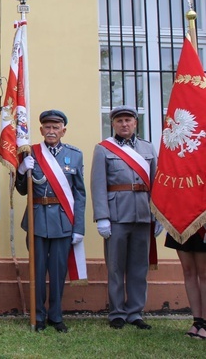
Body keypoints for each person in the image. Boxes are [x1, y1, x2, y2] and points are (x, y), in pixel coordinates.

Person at [91, 105, 161, 330]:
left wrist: (158, 215)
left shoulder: (147, 148)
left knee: (139, 266)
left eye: (128, 120)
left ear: (135, 123)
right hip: (116, 215)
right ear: (113, 124)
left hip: (142, 214)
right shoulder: (103, 149)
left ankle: (135, 312)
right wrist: (102, 217)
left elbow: (157, 184)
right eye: (119, 120)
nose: (124, 124)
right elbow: (98, 185)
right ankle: (117, 312)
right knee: (115, 266)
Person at [15, 110, 86, 333]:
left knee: (57, 271)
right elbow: (20, 190)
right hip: (37, 219)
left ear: (63, 130)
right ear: (41, 130)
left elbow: (80, 194)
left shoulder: (74, 155)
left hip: (63, 221)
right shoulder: (30, 153)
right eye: (47, 127)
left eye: (56, 127)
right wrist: (20, 170)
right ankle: (38, 316)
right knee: (36, 271)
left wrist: (79, 228)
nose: (51, 131)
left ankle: (56, 315)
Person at [164, 228, 206, 338]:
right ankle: (197, 321)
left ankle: (205, 323)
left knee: (204, 273)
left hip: (202, 221)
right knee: (188, 271)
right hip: (182, 221)